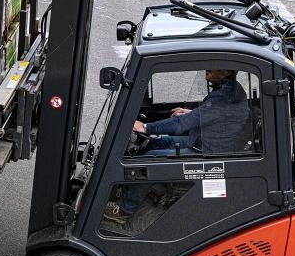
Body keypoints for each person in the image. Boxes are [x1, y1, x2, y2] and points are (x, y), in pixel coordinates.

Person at [104, 69, 249, 226]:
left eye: (214, 65)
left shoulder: (224, 97)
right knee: (156, 142)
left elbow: (180, 124)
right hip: (204, 141)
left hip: (208, 153)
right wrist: (193, 113)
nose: (208, 68)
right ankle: (131, 187)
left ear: (225, 72)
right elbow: (217, 114)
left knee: (150, 161)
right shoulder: (231, 90)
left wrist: (145, 127)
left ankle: (124, 209)